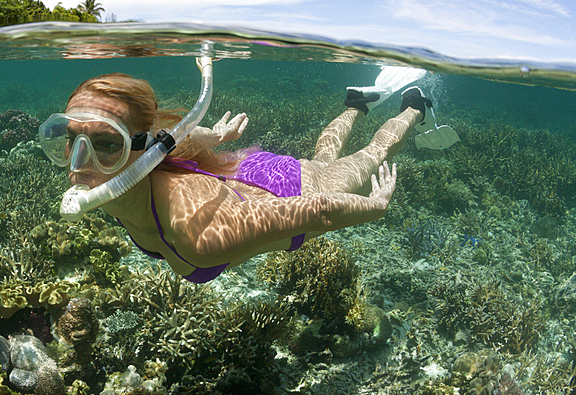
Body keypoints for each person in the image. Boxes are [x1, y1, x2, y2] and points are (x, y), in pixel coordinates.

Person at [40, 72, 438, 283]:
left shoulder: (197, 236)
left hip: (292, 192)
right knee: (323, 156)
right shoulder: (125, 175)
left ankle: (414, 107)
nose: (79, 164)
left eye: (106, 143)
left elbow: (321, 211)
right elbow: (175, 139)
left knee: (372, 155)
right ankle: (355, 105)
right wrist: (215, 136)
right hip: (249, 176)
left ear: (141, 148)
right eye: (70, 138)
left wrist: (375, 207)